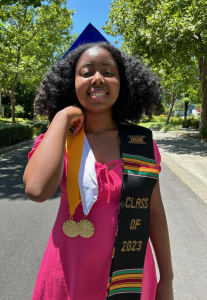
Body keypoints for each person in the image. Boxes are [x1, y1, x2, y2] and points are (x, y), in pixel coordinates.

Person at [23, 42, 174, 300]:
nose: (97, 78)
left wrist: (166, 280)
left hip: (131, 273)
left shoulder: (140, 142)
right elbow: (37, 190)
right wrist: (63, 117)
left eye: (108, 71)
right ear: (71, 84)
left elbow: (155, 212)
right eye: (86, 72)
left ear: (122, 84)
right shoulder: (60, 139)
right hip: (69, 272)